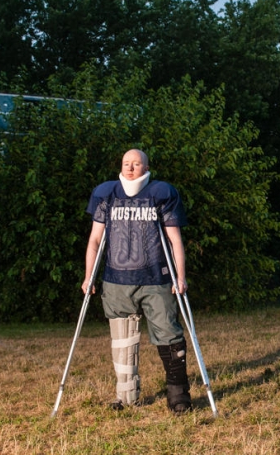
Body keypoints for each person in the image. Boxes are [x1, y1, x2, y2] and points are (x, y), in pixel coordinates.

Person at [82, 148, 192, 414]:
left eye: (136, 164)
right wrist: (88, 277)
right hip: (117, 279)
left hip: (155, 278)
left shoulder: (161, 193)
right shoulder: (107, 194)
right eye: (126, 163)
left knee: (168, 332)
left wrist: (180, 276)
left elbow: (174, 239)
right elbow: (95, 240)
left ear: (146, 166)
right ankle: (126, 394)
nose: (130, 168)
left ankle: (178, 395)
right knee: (122, 338)